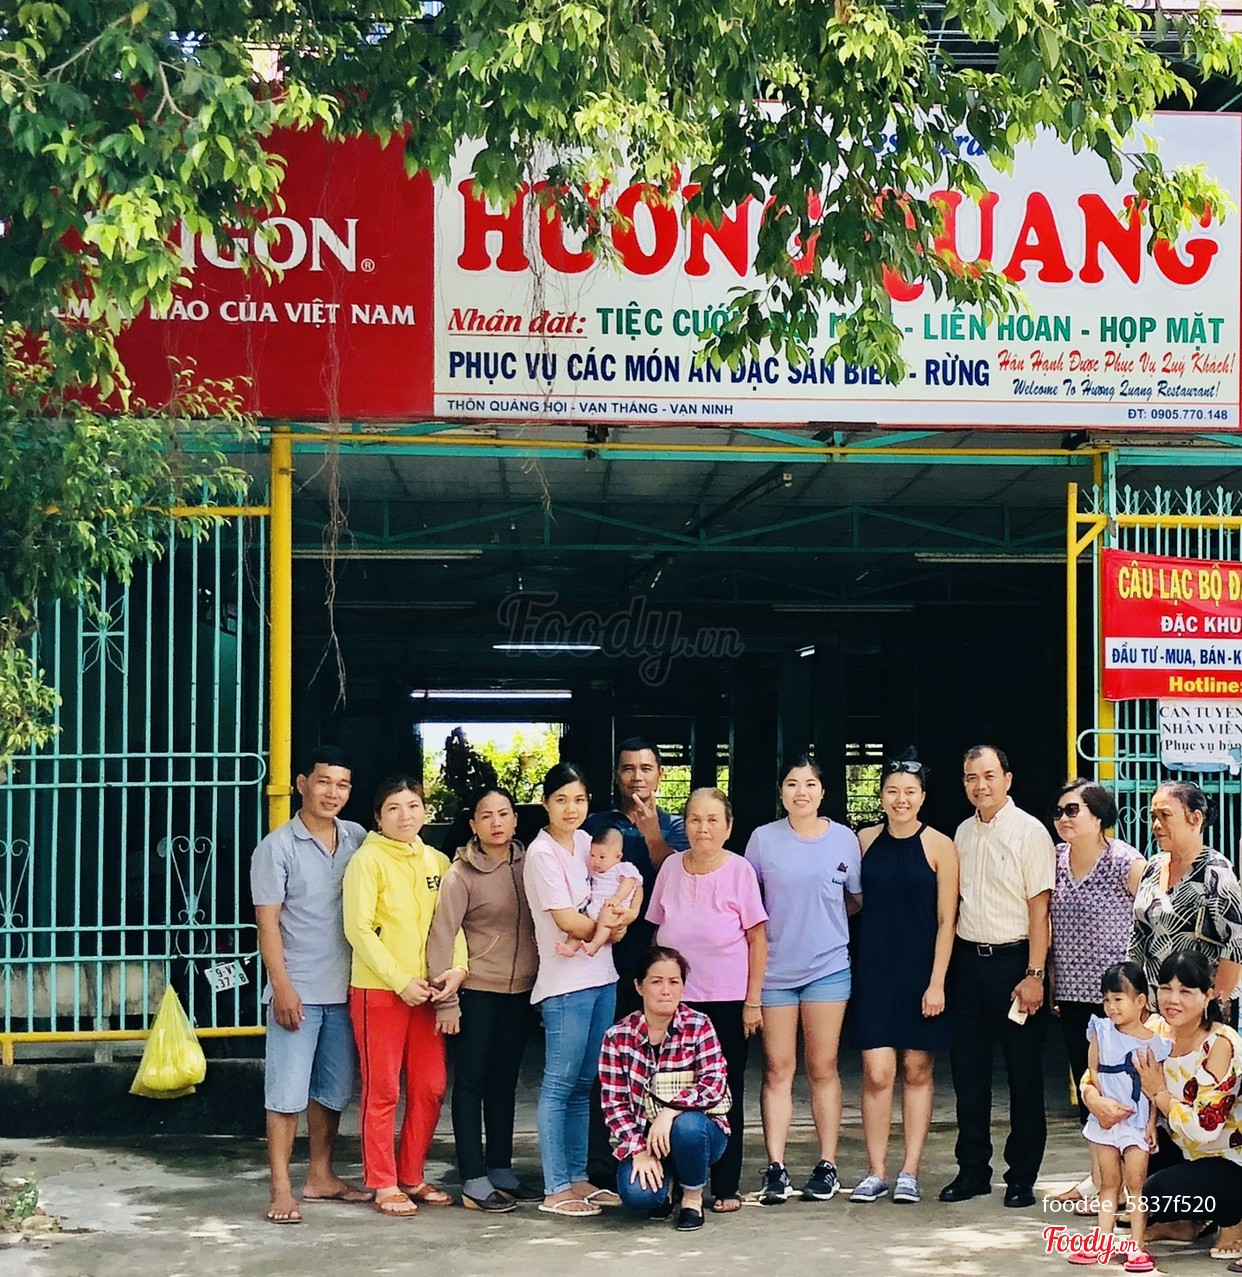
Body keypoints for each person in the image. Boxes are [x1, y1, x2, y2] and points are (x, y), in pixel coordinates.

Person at [250, 746, 372, 1225]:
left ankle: (320, 1175)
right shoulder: (276, 847)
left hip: (347, 990)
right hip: (297, 990)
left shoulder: (357, 837)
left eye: (342, 785)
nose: (332, 793)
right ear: (302, 784)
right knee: (285, 1094)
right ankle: (281, 1187)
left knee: (332, 1091)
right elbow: (268, 924)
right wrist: (281, 987)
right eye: (323, 782)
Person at [342, 777, 468, 1218]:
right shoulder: (368, 860)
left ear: (425, 811)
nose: (405, 816)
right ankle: (383, 1181)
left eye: (413, 806)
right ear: (378, 818)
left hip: (429, 993)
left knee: (431, 1086)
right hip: (379, 991)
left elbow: (451, 923)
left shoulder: (437, 861)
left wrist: (457, 968)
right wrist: (399, 981)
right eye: (393, 808)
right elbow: (357, 929)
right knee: (383, 1089)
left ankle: (412, 1175)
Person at [941, 744, 1055, 1209]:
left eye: (989, 775)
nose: (980, 785)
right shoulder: (962, 833)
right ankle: (972, 1171)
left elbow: (1040, 910)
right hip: (969, 964)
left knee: (1023, 1075)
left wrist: (1035, 974)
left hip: (1016, 965)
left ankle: (1022, 1176)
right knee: (969, 1074)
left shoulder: (1030, 832)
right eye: (972, 777)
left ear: (1007, 779)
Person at [744, 754, 862, 1206]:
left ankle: (826, 1165)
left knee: (822, 1067)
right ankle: (775, 1168)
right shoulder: (762, 839)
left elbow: (855, 899)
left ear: (823, 791)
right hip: (774, 969)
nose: (801, 792)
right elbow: (749, 903)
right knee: (777, 1068)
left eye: (810, 784)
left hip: (827, 968)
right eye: (792, 784)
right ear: (781, 792)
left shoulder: (845, 840)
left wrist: (821, 923)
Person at [525, 763, 639, 1217]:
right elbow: (567, 920)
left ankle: (578, 1178)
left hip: (602, 977)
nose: (570, 809)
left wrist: (620, 923)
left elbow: (624, 892)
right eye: (560, 800)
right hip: (565, 984)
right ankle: (555, 1188)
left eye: (578, 800)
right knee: (559, 1083)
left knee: (583, 1084)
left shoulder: (588, 844)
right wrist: (609, 927)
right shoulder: (542, 853)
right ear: (546, 804)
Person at [646, 787, 767, 1213]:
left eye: (713, 820)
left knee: (725, 1090)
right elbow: (657, 934)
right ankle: (677, 1181)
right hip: (675, 1003)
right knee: (670, 1087)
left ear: (728, 827)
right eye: (695, 819)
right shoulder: (670, 868)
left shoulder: (740, 870)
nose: (703, 828)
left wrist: (753, 1000)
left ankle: (726, 1185)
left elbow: (757, 938)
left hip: (727, 1001)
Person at [1085, 951, 1242, 1274]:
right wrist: (1093, 1099)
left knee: (1152, 1192)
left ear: (1208, 995)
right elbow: (1102, 1067)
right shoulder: (1155, 1030)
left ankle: (1234, 1221)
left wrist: (1159, 1093)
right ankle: (1184, 1223)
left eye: (1186, 991)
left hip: (1227, 1159)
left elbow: (1204, 1129)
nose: (1173, 999)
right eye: (1166, 989)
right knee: (1125, 1160)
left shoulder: (1220, 1043)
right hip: (1182, 1149)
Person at [849, 753, 958, 1206]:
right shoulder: (863, 840)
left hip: (921, 972)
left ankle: (910, 1170)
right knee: (877, 1073)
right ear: (880, 796)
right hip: (874, 969)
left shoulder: (940, 845)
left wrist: (937, 982)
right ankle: (875, 1170)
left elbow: (947, 920)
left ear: (923, 797)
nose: (901, 799)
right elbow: (849, 899)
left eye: (910, 792)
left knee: (917, 1069)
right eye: (892, 791)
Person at [425, 787, 540, 1214]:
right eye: (486, 815)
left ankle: (501, 1170)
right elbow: (442, 935)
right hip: (476, 991)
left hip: (521, 991)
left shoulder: (530, 863)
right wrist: (446, 1002)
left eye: (504, 814)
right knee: (472, 1082)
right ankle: (473, 1178)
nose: (496, 822)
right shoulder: (461, 874)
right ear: (473, 824)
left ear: (515, 820)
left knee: (504, 1083)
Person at [1047, 779, 1143, 1215]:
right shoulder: (1054, 859)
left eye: (1073, 810)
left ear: (1099, 815)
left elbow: (1153, 924)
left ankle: (1121, 1187)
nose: (1063, 818)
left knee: (1124, 1091)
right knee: (1091, 1088)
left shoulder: (1126, 862)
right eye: (1059, 812)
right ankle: (1099, 1179)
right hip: (1072, 993)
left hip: (1118, 999)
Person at [599, 946, 731, 1232]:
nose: (666, 990)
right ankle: (667, 1186)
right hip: (646, 1139)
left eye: (674, 982)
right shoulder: (617, 1037)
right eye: (656, 981)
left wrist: (669, 1112)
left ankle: (692, 1197)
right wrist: (638, 1150)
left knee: (688, 1126)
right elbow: (614, 1104)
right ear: (639, 986)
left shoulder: (699, 1025)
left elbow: (714, 1083)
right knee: (638, 1195)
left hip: (699, 1132)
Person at [1066, 961, 1169, 1266]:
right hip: (1105, 1123)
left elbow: (1155, 1089)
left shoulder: (1156, 1044)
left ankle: (1137, 1245)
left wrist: (1151, 1124)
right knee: (1108, 1184)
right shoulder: (1100, 1031)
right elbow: (1093, 1072)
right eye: (1106, 999)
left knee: (1136, 1186)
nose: (1111, 1007)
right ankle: (1102, 1241)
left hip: (1136, 1124)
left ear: (1140, 1001)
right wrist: (1101, 1108)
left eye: (1118, 999)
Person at [583, 737, 690, 1009]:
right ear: (616, 775)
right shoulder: (595, 825)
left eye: (646, 768)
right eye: (628, 768)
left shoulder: (677, 826)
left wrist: (652, 834)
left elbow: (677, 877)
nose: (637, 776)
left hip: (655, 945)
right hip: (599, 942)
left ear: (660, 775)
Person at [1128, 780, 1242, 1011]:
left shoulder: (1215, 873)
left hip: (1198, 1009)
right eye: (1153, 816)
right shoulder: (1153, 867)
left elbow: (1236, 943)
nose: (1156, 825)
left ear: (1195, 819)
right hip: (1153, 1008)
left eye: (1165, 815)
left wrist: (1213, 1006)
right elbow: (1139, 935)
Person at [556, 827, 644, 958]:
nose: (596, 861)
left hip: (613, 908)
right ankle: (570, 947)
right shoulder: (595, 871)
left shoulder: (623, 868)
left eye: (602, 857)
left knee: (605, 919)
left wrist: (617, 897)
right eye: (592, 855)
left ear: (618, 856)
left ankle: (595, 945)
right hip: (594, 906)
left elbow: (630, 883)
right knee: (579, 924)